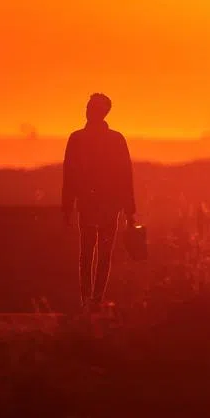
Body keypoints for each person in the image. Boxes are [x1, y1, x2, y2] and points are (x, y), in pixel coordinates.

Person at [61, 93, 137, 312]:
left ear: (98, 111)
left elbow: (124, 175)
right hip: (100, 204)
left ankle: (91, 300)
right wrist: (129, 210)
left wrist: (129, 210)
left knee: (94, 253)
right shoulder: (111, 139)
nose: (87, 110)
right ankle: (91, 299)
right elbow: (70, 175)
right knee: (95, 253)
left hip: (99, 204)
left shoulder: (81, 139)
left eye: (90, 107)